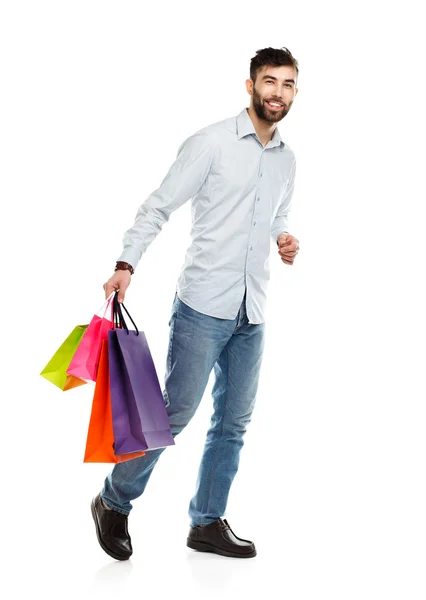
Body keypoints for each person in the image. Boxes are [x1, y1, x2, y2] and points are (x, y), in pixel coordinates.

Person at [91, 46, 301, 561]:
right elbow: (158, 205)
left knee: (233, 422)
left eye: (288, 84)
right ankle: (113, 501)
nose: (278, 92)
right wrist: (126, 263)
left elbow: (276, 216)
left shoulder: (287, 159)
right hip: (203, 306)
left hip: (253, 312)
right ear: (249, 85)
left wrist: (285, 238)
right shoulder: (210, 143)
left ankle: (206, 523)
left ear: (296, 91)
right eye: (269, 81)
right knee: (172, 415)